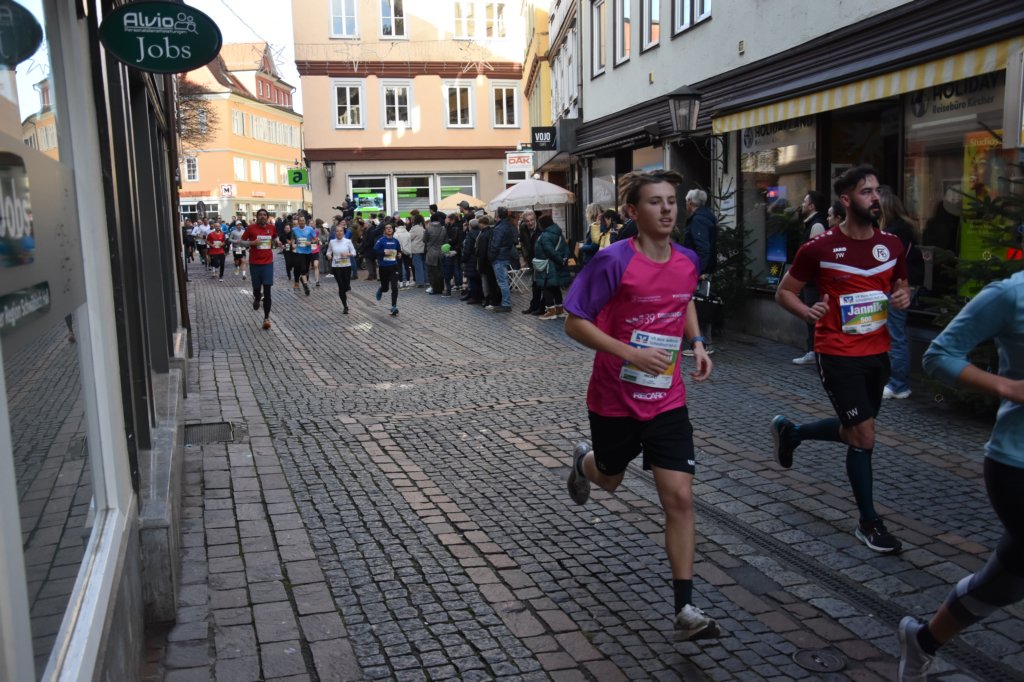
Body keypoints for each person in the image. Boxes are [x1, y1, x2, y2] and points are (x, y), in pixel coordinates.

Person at [563, 169, 718, 641]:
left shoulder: (688, 259)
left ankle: (685, 608)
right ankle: (584, 462)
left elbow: (683, 298)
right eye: (655, 202)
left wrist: (696, 342)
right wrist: (630, 353)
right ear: (633, 211)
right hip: (614, 399)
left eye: (672, 200)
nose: (667, 209)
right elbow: (574, 321)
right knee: (610, 479)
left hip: (667, 398)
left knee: (680, 498)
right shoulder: (613, 261)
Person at [770, 164, 911, 554]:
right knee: (864, 435)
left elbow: (901, 285)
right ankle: (868, 522)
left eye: (877, 190)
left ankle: (793, 433)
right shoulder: (819, 247)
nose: (875, 197)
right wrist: (807, 312)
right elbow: (784, 292)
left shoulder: (892, 245)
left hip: (877, 352)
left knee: (855, 431)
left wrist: (904, 296)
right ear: (846, 200)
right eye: (866, 192)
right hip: (837, 352)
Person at [897, 271, 1024, 681]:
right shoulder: (1011, 294)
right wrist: (1006, 386)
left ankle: (923, 640)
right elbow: (939, 355)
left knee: (1005, 584)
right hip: (1017, 465)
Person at [879, 187, 924, 400]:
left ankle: (898, 384)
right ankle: (896, 381)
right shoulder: (904, 229)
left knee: (895, 335)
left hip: (897, 287)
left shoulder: (894, 233)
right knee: (894, 333)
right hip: (900, 285)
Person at [792, 190, 830, 365]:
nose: (802, 204)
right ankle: (813, 350)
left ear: (812, 206)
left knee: (812, 314)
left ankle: (815, 351)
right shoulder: (812, 223)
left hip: (813, 282)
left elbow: (815, 256)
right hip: (811, 280)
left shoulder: (817, 225)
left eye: (804, 201)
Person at [683, 189, 719, 353]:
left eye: (686, 201)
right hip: (703, 269)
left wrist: (699, 271)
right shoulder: (706, 217)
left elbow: (703, 248)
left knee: (701, 306)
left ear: (690, 202)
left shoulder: (698, 220)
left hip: (700, 271)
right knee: (703, 304)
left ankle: (703, 344)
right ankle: (703, 343)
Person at [241, 208, 280, 330]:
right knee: (256, 289)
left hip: (268, 263)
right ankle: (257, 297)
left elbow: (275, 238)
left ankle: (266, 318)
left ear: (267, 217)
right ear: (257, 217)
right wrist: (252, 243)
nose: (262, 216)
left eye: (264, 215)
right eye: (260, 215)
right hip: (255, 263)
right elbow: (241, 242)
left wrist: (277, 242)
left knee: (267, 290)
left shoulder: (271, 228)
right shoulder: (250, 228)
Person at [534, 215, 571, 319]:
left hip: (548, 266)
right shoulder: (558, 233)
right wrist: (564, 259)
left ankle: (551, 311)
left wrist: (560, 260)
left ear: (542, 224)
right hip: (556, 265)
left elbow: (550, 251)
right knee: (555, 287)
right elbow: (566, 248)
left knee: (546, 287)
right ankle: (559, 310)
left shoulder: (545, 235)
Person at [488, 206, 517, 312]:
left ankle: (506, 304)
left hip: (499, 257)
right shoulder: (508, 225)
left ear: (498, 215)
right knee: (503, 281)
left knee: (502, 282)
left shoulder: (500, 228)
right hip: (504, 255)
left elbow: (495, 244)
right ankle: (505, 303)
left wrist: (491, 256)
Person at [327, 220, 357, 314]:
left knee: (346, 286)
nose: (339, 233)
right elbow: (328, 252)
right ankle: (345, 306)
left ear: (343, 232)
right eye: (337, 231)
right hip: (336, 266)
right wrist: (329, 255)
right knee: (341, 286)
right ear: (335, 232)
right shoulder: (332, 242)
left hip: (346, 266)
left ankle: (347, 287)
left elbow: (354, 253)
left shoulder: (348, 241)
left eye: (341, 231)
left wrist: (347, 254)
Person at [374, 222, 402, 316]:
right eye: (387, 228)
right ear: (384, 231)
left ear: (393, 230)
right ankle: (381, 288)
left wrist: (399, 254)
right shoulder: (381, 240)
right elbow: (375, 251)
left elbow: (399, 250)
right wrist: (384, 252)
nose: (389, 229)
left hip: (394, 266)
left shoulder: (395, 241)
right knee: (386, 288)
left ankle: (394, 306)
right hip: (383, 267)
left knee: (394, 287)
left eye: (390, 228)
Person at [520, 210, 545, 315]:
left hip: (541, 260)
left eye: (531, 220)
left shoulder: (541, 228)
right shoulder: (523, 228)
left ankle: (542, 307)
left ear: (535, 219)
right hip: (531, 259)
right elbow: (523, 243)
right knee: (535, 284)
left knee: (543, 284)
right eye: (527, 221)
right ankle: (534, 306)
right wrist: (526, 257)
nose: (530, 223)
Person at [475, 216, 499, 308]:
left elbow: (482, 252)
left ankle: (491, 300)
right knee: (492, 282)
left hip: (485, 262)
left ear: (482, 224)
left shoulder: (483, 235)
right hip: (491, 261)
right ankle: (495, 299)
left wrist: (480, 266)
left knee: (489, 282)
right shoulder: (491, 232)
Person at [291, 214, 316, 296]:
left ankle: (303, 279)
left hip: (308, 252)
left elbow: (316, 240)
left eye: (303, 220)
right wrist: (293, 244)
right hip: (299, 252)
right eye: (300, 221)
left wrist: (310, 242)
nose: (301, 222)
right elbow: (293, 239)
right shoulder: (294, 229)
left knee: (306, 270)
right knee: (303, 269)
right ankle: (306, 287)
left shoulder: (310, 229)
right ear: (298, 222)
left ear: (305, 221)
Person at [461, 218, 483, 305]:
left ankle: (475, 297)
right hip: (479, 258)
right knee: (478, 279)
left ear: (470, 226)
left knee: (472, 280)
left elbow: (467, 248)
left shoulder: (470, 234)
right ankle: (480, 296)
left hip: (471, 259)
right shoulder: (481, 232)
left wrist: (464, 258)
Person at [424, 216, 446, 295]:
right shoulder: (443, 229)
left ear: (431, 220)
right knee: (440, 271)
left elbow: (424, 240)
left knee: (432, 272)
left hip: (431, 253)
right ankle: (441, 288)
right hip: (441, 252)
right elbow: (446, 241)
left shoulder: (428, 229)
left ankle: (435, 289)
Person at [393, 217, 413, 288]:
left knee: (399, 267)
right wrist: (410, 253)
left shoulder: (396, 234)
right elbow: (410, 244)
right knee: (407, 267)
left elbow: (395, 244)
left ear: (397, 225)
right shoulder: (408, 233)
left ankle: (401, 282)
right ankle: (407, 282)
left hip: (399, 252)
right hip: (407, 251)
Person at [408, 214, 426, 287]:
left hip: (416, 250)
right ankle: (426, 280)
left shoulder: (414, 229)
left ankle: (420, 282)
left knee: (418, 267)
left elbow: (409, 237)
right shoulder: (423, 228)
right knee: (424, 266)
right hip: (423, 249)